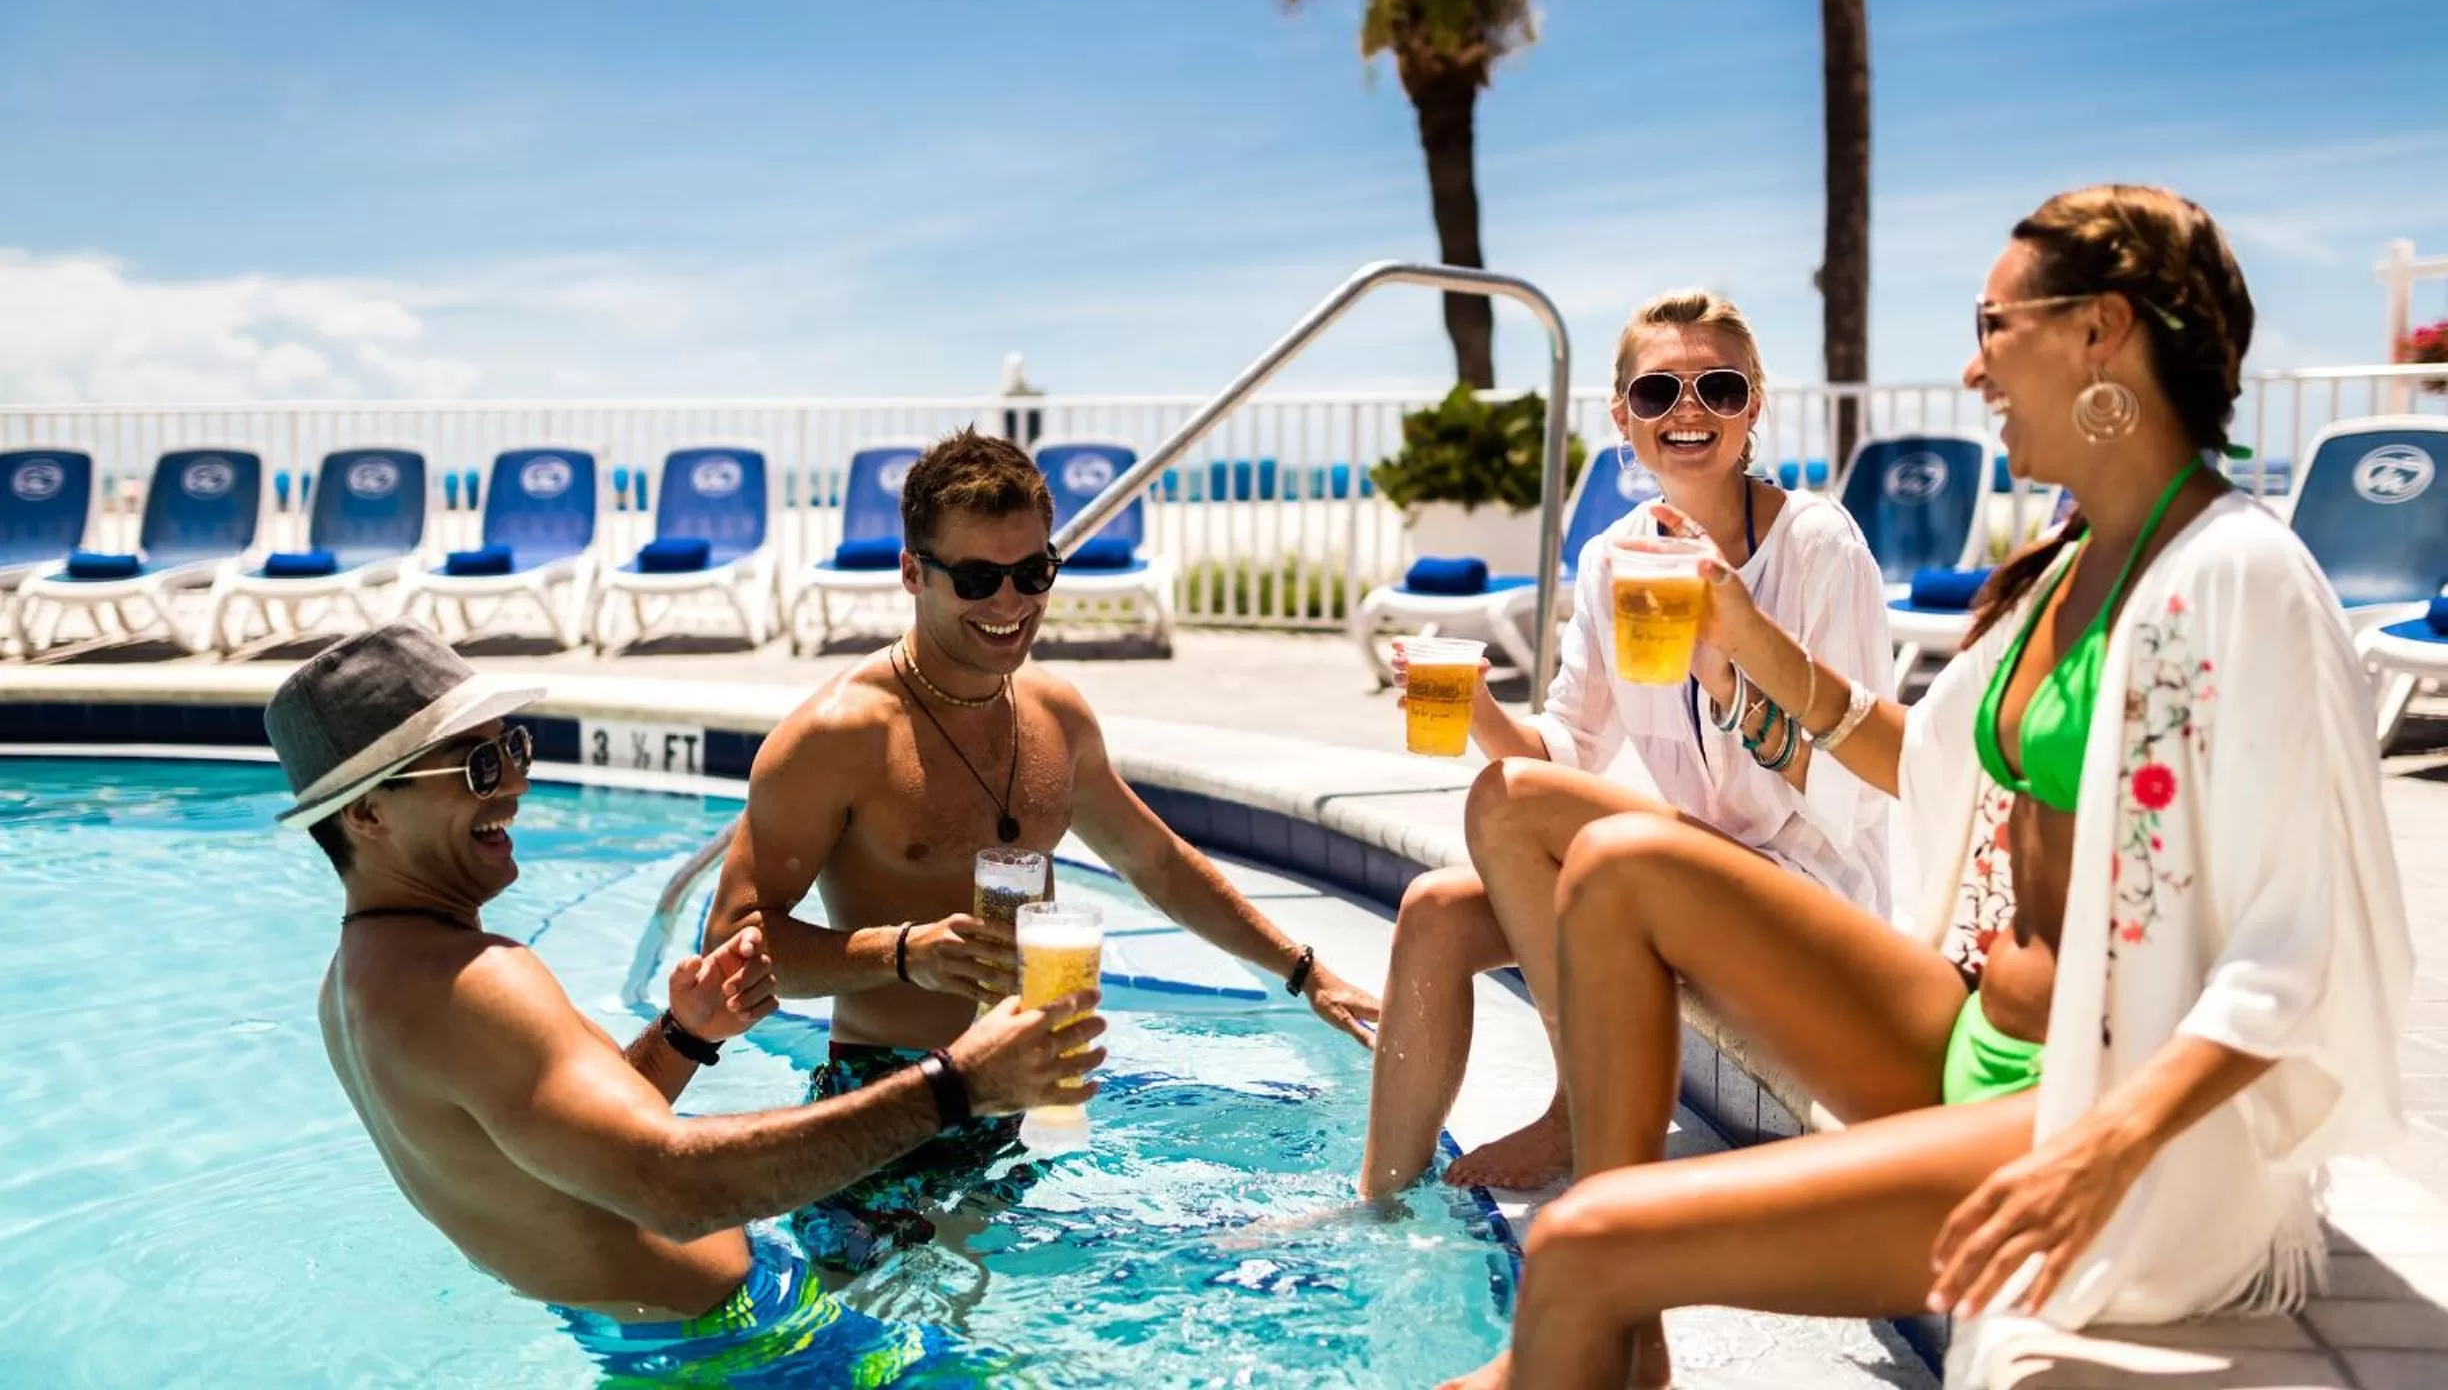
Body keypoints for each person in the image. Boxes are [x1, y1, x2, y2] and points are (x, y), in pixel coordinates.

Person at [1444, 186, 2412, 1390]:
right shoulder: (2063, 570)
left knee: (1584, 1248)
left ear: (2101, 332)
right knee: (1619, 862)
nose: (1971, 369)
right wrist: (1747, 641)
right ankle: (1610, 1342)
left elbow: (2295, 948)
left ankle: (1601, 1328)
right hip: (1967, 1037)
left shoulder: (2236, 575)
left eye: (1996, 326)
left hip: (2104, 1119)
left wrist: (2102, 1148)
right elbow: (1913, 759)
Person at [273, 620, 1105, 1387]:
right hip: (746, 1349)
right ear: (370, 813)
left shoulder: (359, 979)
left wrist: (682, 1037)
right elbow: (671, 1189)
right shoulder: (472, 983)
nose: (516, 786)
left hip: (671, 1343)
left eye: (514, 748)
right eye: (478, 766)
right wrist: (959, 1083)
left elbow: (564, 1165)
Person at [706, 428, 1381, 1264]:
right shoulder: (838, 737)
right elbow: (731, 948)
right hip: (887, 1098)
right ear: (913, 573)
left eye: (1033, 574)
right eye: (979, 579)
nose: (1011, 603)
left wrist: (1305, 972)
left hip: (1027, 1094)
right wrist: (903, 952)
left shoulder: (1056, 717)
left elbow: (1156, 863)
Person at [1360, 289, 1893, 1198]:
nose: (1688, 411)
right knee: (1434, 911)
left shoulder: (1815, 545)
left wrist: (1730, 672)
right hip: (1695, 881)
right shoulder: (1613, 557)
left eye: (1718, 388)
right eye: (1657, 394)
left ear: (1753, 407)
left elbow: (1863, 792)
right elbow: (1566, 751)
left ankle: (1587, 1107)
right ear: (1623, 418)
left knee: (1505, 802)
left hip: (1814, 896)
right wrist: (1477, 704)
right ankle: (1378, 1202)